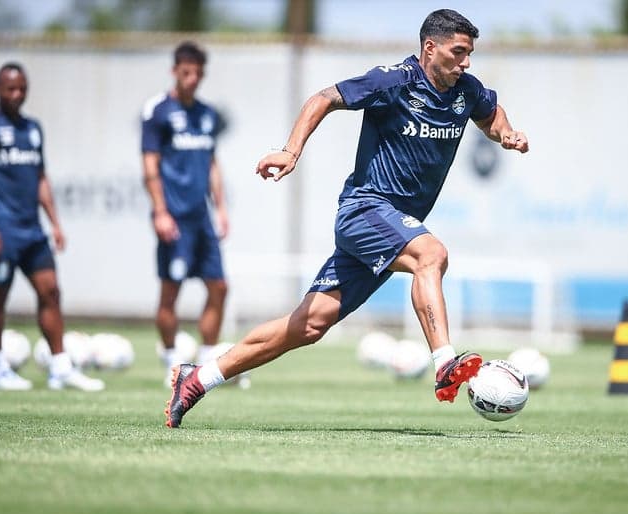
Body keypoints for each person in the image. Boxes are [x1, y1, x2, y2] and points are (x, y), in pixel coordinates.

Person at [164, 9, 529, 428]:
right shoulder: (393, 81)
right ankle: (444, 361)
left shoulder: (467, 89)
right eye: (458, 52)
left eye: (469, 54)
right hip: (365, 210)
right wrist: (290, 151)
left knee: (307, 325)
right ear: (430, 48)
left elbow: (491, 113)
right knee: (431, 255)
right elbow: (323, 98)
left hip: (390, 227)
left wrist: (506, 133)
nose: (465, 62)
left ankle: (199, 378)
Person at [0, 62, 104, 391]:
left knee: (51, 291)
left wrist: (55, 223)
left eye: (22, 88)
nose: (17, 94)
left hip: (32, 231)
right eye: (10, 88)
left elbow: (40, 179)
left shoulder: (32, 128)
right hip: (1, 229)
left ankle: (60, 367)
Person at [141, 41, 239, 388]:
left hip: (201, 218)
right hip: (174, 217)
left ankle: (208, 358)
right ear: (175, 72)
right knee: (171, 291)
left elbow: (212, 164)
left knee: (219, 287)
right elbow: (150, 166)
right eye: (186, 72)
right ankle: (171, 360)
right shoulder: (158, 112)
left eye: (198, 73)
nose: (192, 79)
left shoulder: (206, 114)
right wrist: (160, 212)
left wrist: (221, 208)